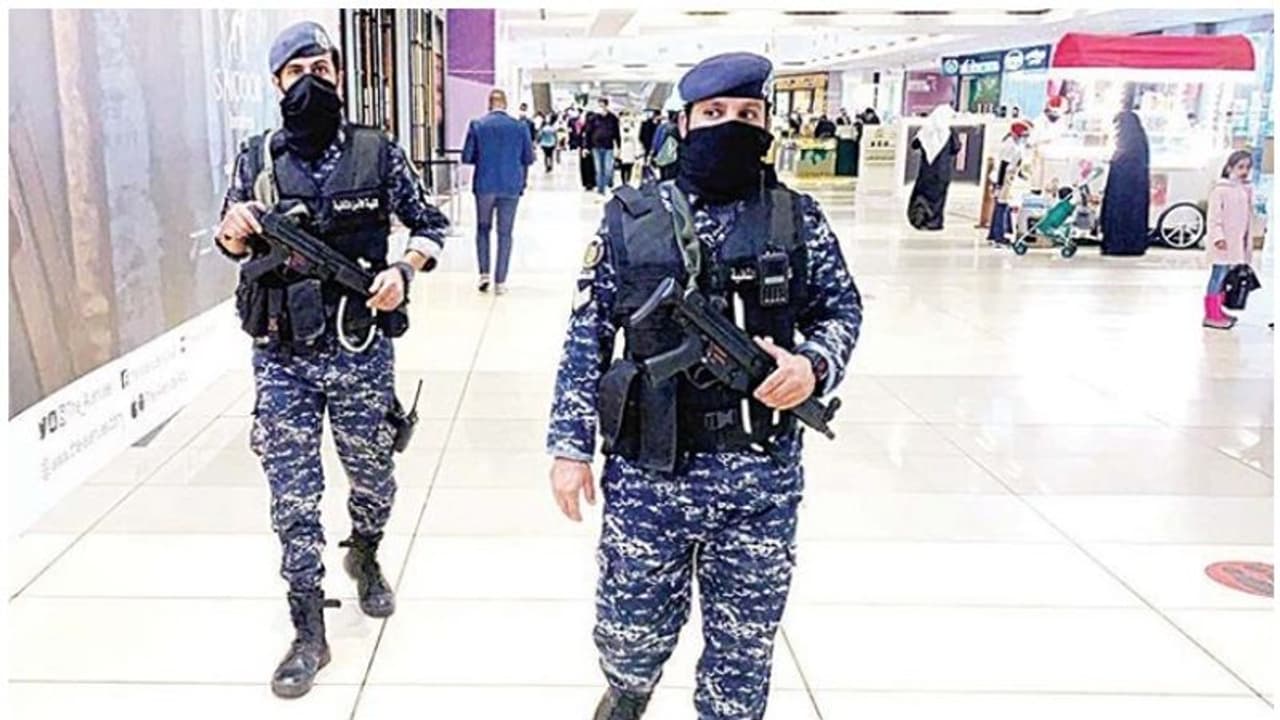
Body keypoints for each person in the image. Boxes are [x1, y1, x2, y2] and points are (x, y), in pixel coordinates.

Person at [546, 51, 863, 720]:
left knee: (742, 660)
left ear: (767, 124)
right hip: (648, 474)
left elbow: (841, 309)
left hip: (759, 478)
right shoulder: (630, 217)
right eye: (714, 113)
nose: (731, 124)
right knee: (628, 641)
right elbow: (586, 335)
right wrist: (570, 447)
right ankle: (628, 691)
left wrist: (812, 365)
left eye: (747, 113)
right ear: (684, 124)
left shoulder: (796, 217)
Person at [215, 21, 448, 700]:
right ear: (276, 84)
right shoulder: (256, 158)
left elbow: (431, 224)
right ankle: (308, 627)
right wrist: (233, 231)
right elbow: (231, 240)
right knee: (293, 492)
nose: (310, 81)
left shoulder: (378, 153)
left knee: (373, 476)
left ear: (339, 75)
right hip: (281, 352)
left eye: (320, 68)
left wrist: (404, 269)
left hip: (358, 347)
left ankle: (365, 552)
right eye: (296, 72)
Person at [461, 88, 535, 294]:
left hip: (484, 185)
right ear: (506, 103)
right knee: (505, 233)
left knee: (483, 228)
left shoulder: (477, 125)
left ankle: (484, 274)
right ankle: (500, 281)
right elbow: (528, 158)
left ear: (489, 104)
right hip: (511, 185)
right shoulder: (520, 127)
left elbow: (467, 157)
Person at [1203, 150, 1256, 329]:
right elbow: (1214, 218)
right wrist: (1218, 237)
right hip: (1223, 244)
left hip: (1237, 243)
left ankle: (1218, 310)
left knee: (1226, 278)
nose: (1244, 171)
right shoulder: (1220, 190)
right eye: (1240, 167)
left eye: (1248, 167)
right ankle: (1211, 314)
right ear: (1229, 168)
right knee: (1217, 276)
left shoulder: (1245, 189)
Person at [1100, 110, 1151, 256]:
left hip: (1122, 190)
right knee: (1132, 215)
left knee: (1119, 215)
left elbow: (1122, 162)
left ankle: (1117, 244)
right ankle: (1131, 245)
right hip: (1136, 190)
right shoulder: (1139, 141)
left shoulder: (1127, 144)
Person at [908, 104, 962, 231]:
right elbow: (956, 148)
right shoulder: (949, 132)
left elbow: (914, 145)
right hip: (942, 172)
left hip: (926, 172)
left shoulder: (926, 130)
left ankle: (920, 220)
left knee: (923, 195)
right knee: (938, 199)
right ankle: (934, 222)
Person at [987, 118, 1032, 245]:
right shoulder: (1009, 145)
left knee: (1001, 206)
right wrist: (999, 185)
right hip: (1002, 177)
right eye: (1022, 136)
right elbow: (1003, 165)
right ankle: (999, 236)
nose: (1024, 138)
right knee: (1001, 206)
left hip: (1008, 176)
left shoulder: (1016, 144)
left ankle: (994, 234)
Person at [585, 97, 622, 195]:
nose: (601, 107)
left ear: (606, 105)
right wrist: (586, 147)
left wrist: (619, 147)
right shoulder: (593, 118)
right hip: (596, 146)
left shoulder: (613, 118)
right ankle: (601, 190)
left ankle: (607, 182)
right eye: (599, 105)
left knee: (608, 169)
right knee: (598, 169)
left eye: (603, 105)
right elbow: (588, 133)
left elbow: (617, 133)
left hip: (608, 146)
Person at [617, 110, 643, 186]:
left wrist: (637, 152)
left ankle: (628, 181)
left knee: (630, 166)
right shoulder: (619, 128)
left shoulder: (633, 129)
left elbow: (636, 140)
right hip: (623, 150)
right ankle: (623, 182)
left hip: (631, 150)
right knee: (623, 167)